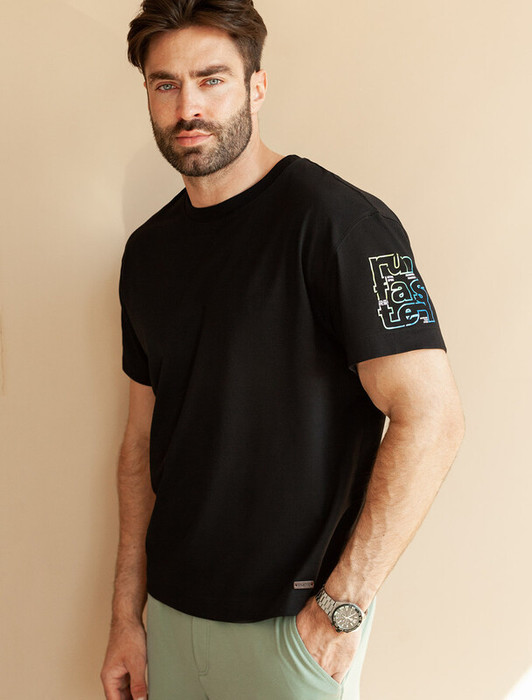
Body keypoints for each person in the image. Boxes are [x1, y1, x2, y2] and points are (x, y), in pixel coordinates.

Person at [100, 1, 465, 698]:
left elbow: (433, 418)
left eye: (212, 79)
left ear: (257, 86)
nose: (188, 107)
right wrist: (127, 617)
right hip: (170, 622)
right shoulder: (147, 253)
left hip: (290, 632)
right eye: (166, 84)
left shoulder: (339, 223)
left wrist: (340, 611)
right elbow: (139, 446)